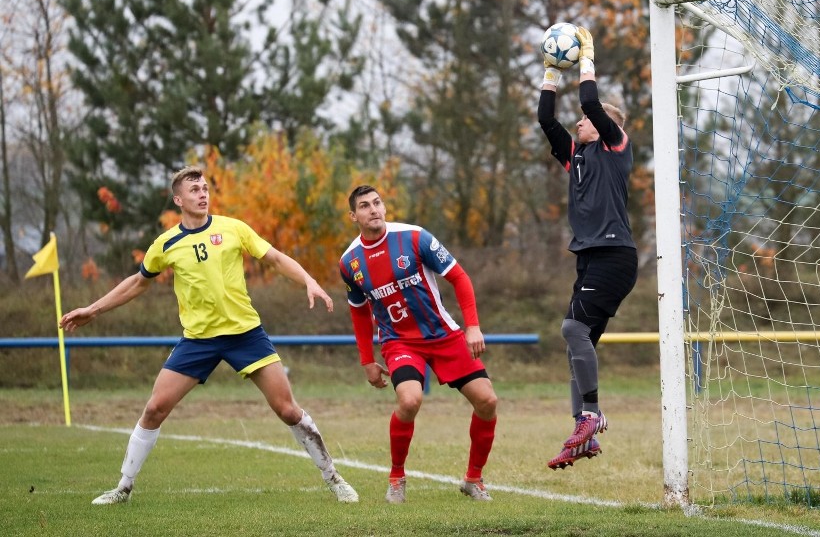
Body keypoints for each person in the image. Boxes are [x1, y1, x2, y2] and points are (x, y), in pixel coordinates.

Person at [59, 165, 359, 505]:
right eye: (194, 189)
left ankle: (333, 477)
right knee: (155, 408)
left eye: (205, 188)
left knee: (287, 409)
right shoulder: (166, 243)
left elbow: (274, 257)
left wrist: (308, 279)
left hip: (245, 334)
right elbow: (138, 282)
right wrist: (93, 309)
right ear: (178, 199)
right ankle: (123, 488)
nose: (203, 194)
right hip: (198, 341)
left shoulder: (233, 228)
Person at [339, 185, 498, 503]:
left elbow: (459, 277)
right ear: (353, 216)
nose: (374, 210)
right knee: (409, 401)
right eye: (365, 206)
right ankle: (397, 477)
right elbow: (358, 313)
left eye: (377, 203)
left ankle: (473, 479)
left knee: (488, 402)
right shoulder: (350, 263)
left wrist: (473, 326)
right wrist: (367, 360)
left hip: (443, 335)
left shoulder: (415, 237)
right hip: (399, 342)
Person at [537, 27, 638, 469]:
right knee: (577, 344)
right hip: (591, 257)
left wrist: (587, 59)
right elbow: (545, 120)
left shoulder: (615, 147)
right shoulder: (574, 156)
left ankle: (591, 416)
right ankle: (586, 432)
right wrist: (549, 73)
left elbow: (592, 104)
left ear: (605, 127)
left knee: (572, 330)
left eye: (586, 120)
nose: (579, 122)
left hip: (615, 256)